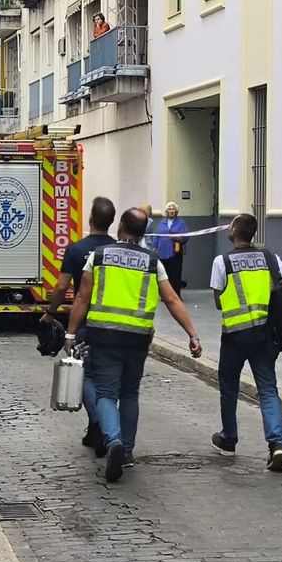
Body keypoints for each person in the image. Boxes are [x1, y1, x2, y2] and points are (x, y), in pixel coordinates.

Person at [65, 207, 203, 483]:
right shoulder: (153, 262)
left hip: (103, 335)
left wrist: (70, 335)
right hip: (137, 338)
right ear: (142, 233)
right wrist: (193, 335)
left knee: (105, 392)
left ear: (120, 228)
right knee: (129, 393)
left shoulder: (99, 257)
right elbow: (173, 300)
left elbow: (82, 298)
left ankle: (113, 440)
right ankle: (126, 451)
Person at [210, 212, 282, 472]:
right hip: (264, 335)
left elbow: (217, 302)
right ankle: (277, 444)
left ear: (235, 230)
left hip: (234, 336)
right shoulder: (269, 257)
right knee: (268, 389)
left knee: (229, 387)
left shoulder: (221, 261)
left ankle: (229, 439)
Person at [43, 197, 118, 455]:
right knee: (109, 380)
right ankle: (96, 427)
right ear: (111, 222)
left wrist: (51, 314)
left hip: (86, 324)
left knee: (86, 375)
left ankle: (98, 421)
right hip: (115, 322)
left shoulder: (76, 250)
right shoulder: (117, 250)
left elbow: (63, 287)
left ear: (90, 219)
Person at [147, 202, 189, 293]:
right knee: (165, 274)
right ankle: (165, 294)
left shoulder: (181, 222)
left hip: (175, 252)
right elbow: (157, 235)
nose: (171, 211)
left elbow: (186, 236)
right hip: (163, 252)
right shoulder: (162, 222)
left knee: (175, 274)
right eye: (169, 209)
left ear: (176, 211)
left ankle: (176, 294)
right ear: (166, 211)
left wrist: (176, 237)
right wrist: (154, 248)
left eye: (173, 209)